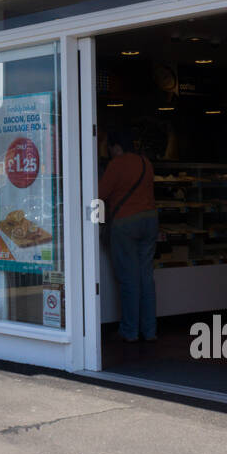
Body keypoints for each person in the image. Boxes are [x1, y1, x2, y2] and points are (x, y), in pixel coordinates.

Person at [99, 130, 157, 343]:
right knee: (146, 279)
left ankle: (130, 331)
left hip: (126, 222)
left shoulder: (117, 164)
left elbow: (99, 194)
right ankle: (150, 331)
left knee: (129, 279)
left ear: (115, 147)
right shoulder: (145, 163)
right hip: (150, 221)